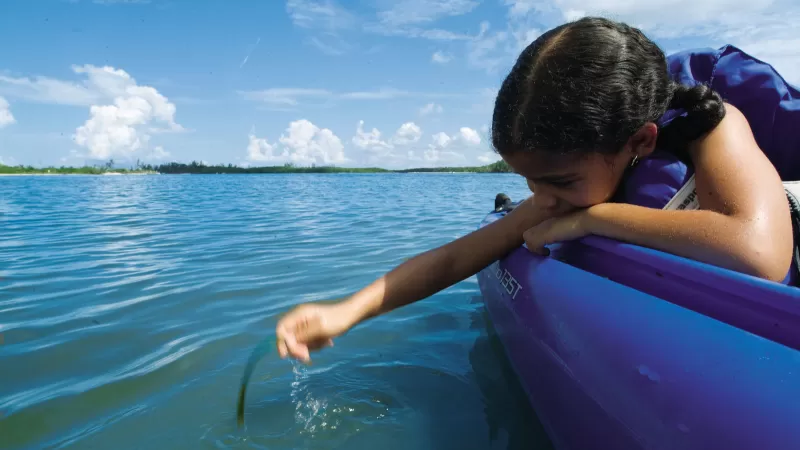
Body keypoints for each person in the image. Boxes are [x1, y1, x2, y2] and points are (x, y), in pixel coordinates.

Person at [275, 17, 794, 363]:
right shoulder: (561, 179)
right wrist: (349, 310)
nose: (539, 195)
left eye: (558, 181)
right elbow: (456, 259)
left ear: (639, 141)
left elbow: (756, 255)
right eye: (526, 177)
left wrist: (591, 219)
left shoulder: (710, 118)